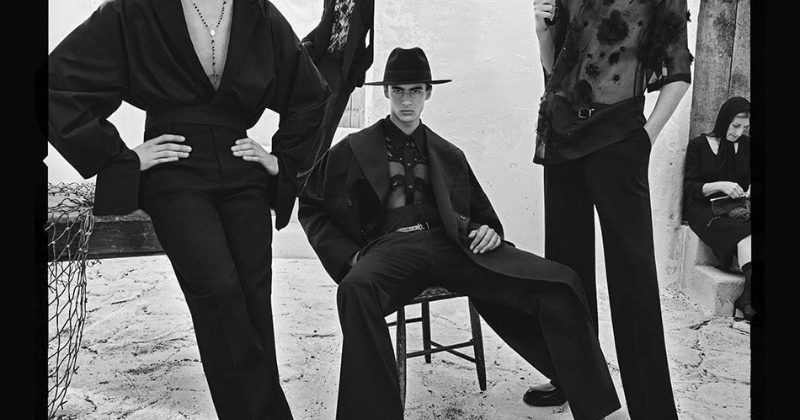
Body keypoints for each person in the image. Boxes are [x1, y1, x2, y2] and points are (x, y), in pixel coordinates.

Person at [298, 46, 621, 420]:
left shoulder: (448, 153)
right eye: (398, 91)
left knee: (561, 281)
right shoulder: (353, 149)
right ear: (386, 92)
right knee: (354, 290)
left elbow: (481, 217)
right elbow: (311, 203)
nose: (407, 101)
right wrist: (349, 256)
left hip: (450, 244)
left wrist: (488, 231)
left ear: (428, 93)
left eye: (415, 91)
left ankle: (586, 396)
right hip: (389, 249)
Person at [47, 0, 329, 418]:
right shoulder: (137, 9)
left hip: (241, 166)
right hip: (174, 170)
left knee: (254, 300)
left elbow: (311, 94)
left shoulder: (258, 12)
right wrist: (121, 159)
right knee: (218, 290)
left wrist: (281, 161)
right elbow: (56, 84)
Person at [526, 1, 693, 419]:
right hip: (563, 134)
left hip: (619, 137)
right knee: (566, 269)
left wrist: (645, 138)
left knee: (633, 277)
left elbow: (678, 73)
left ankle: (653, 410)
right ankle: (573, 380)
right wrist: (543, 32)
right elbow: (555, 71)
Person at [683, 97, 753, 320]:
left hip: (735, 207)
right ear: (724, 121)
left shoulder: (747, 146)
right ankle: (747, 301)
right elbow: (691, 187)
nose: (739, 132)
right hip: (704, 209)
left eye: (744, 128)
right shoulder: (699, 145)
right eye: (735, 126)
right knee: (742, 232)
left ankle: (747, 298)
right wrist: (720, 185)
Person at [301, 0, 375, 172]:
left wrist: (358, 68)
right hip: (322, 60)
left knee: (326, 126)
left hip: (344, 68)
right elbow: (325, 23)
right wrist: (305, 43)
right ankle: (299, 172)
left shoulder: (369, 3)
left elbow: (375, 42)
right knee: (309, 120)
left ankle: (311, 176)